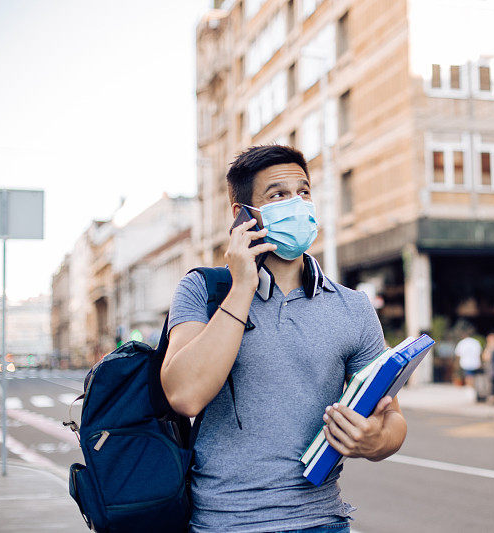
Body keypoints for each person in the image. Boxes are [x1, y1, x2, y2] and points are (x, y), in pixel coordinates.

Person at [161, 145, 407, 533]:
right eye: (277, 195)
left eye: (304, 192)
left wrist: (375, 440)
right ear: (243, 215)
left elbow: (392, 418)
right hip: (225, 524)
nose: (297, 204)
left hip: (323, 521)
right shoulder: (202, 290)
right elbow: (185, 395)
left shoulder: (354, 308)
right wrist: (242, 285)